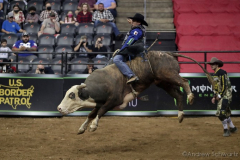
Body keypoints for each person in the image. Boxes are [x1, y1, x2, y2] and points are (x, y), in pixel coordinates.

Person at [113, 13, 148, 84]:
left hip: (132, 50)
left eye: (134, 21)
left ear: (138, 22)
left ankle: (131, 75)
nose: (132, 22)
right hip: (133, 49)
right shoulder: (138, 29)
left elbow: (130, 41)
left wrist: (122, 50)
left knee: (116, 59)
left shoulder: (137, 31)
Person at [207, 57, 237, 137]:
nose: (211, 66)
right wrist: (214, 96)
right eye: (211, 64)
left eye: (213, 64)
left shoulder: (222, 72)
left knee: (221, 113)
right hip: (223, 95)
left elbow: (224, 85)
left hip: (226, 95)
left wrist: (219, 95)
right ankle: (233, 128)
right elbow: (216, 87)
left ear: (217, 64)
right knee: (225, 113)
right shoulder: (216, 74)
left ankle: (226, 130)